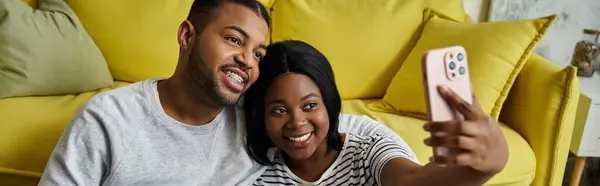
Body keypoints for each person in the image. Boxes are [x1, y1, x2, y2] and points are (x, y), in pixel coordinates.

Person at [38, 0, 409, 185]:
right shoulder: (108, 119)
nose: (247, 61)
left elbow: (319, 119)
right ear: (187, 36)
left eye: (258, 53)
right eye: (234, 40)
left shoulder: (256, 116)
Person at [243, 40, 509, 186]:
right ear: (261, 117)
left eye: (310, 105)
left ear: (330, 104)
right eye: (279, 110)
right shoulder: (257, 174)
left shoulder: (367, 152)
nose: (297, 122)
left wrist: (485, 167)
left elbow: (413, 182)